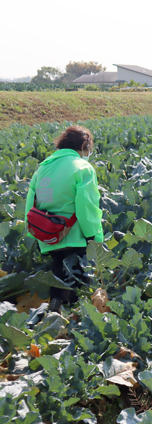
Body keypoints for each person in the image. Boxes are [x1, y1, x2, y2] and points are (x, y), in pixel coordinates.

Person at [24, 126, 103, 314]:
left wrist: (34, 231)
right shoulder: (83, 168)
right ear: (85, 146)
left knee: (59, 270)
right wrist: (94, 237)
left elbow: (30, 203)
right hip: (74, 233)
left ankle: (56, 310)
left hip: (48, 233)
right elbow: (87, 207)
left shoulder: (43, 167)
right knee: (79, 280)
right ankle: (74, 320)